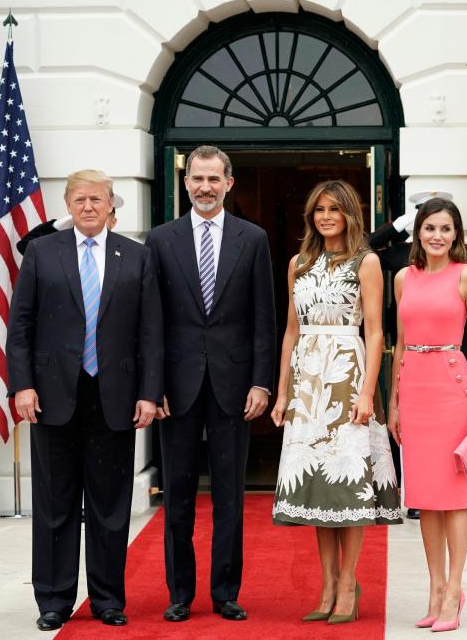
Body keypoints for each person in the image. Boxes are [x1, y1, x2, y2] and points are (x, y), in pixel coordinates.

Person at [6, 169, 163, 631]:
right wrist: (23, 385)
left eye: (97, 199)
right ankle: (53, 599)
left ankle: (107, 598)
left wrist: (150, 394)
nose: (89, 206)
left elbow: (151, 332)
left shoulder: (137, 256)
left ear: (112, 205)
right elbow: (21, 327)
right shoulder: (41, 252)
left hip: (115, 397)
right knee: (54, 503)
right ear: (68, 205)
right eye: (80, 199)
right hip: (53, 395)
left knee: (110, 506)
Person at [144, 145, 275, 623]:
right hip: (175, 389)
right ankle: (179, 592)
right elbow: (151, 321)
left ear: (229, 183)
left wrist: (262, 383)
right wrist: (150, 385)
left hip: (233, 385)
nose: (204, 187)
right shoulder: (159, 240)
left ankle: (225, 593)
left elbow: (265, 318)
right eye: (197, 179)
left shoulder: (253, 238)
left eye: (213, 179)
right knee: (176, 494)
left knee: (229, 496)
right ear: (185, 183)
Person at [271, 180, 401, 625]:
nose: (326, 216)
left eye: (335, 209)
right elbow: (290, 330)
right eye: (319, 210)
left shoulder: (366, 262)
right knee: (317, 487)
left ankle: (348, 583)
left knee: (348, 485)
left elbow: (376, 331)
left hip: (348, 376)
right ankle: (325, 585)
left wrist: (369, 393)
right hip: (307, 383)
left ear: (350, 214)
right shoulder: (299, 263)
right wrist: (284, 390)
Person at [387, 198, 467, 633]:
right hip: (413, 388)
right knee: (425, 499)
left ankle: (454, 589)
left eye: (445, 229)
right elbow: (401, 340)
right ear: (418, 232)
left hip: (453, 388)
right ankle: (433, 588)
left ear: (456, 234)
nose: (437, 236)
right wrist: (393, 401)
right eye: (430, 228)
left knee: (455, 496)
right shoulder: (401, 278)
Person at [16, 194, 123, 255]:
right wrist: (57, 225)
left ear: (113, 222)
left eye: (103, 214)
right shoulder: (62, 249)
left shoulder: (124, 252)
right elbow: (25, 247)